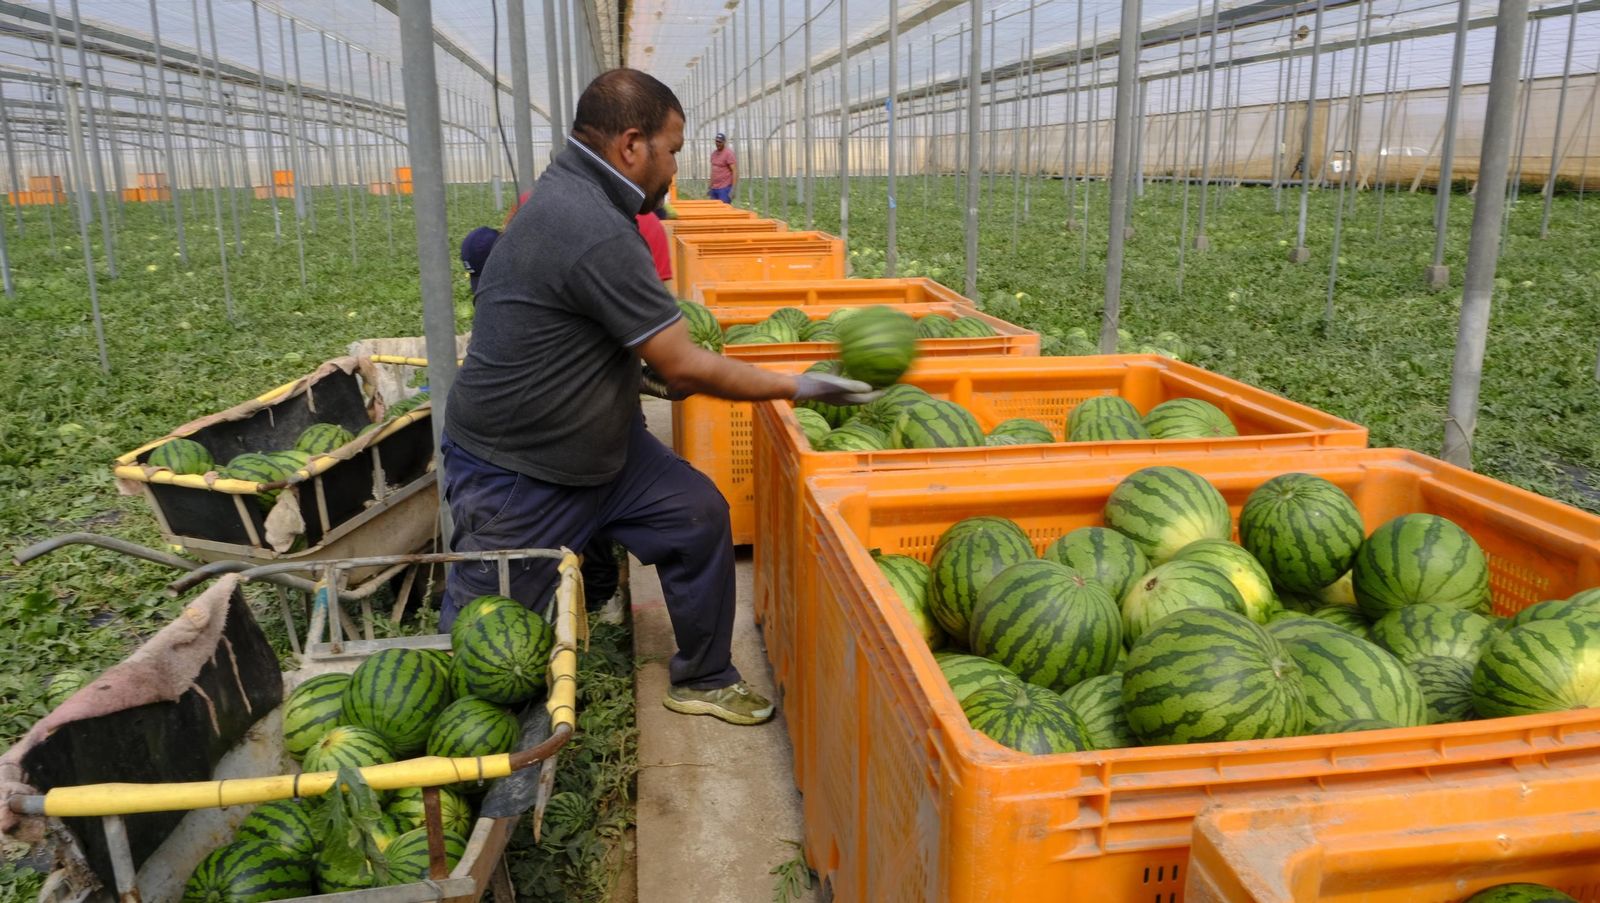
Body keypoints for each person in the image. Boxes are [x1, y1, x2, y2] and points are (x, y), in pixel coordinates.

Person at [440, 69, 876, 726]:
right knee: (492, 657)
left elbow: (618, 351)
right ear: (632, 145)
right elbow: (682, 367)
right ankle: (474, 785)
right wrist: (804, 384)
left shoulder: (577, 200)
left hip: (602, 449)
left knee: (696, 514)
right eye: (673, 149)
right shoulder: (590, 224)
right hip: (519, 474)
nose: (676, 167)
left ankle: (703, 676)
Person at [708, 131, 737, 204]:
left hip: (724, 188)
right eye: (717, 141)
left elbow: (735, 171)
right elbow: (713, 171)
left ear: (724, 142)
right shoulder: (714, 154)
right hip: (714, 188)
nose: (718, 143)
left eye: (720, 142)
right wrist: (710, 186)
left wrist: (733, 188)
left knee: (724, 210)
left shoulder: (728, 154)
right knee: (714, 211)